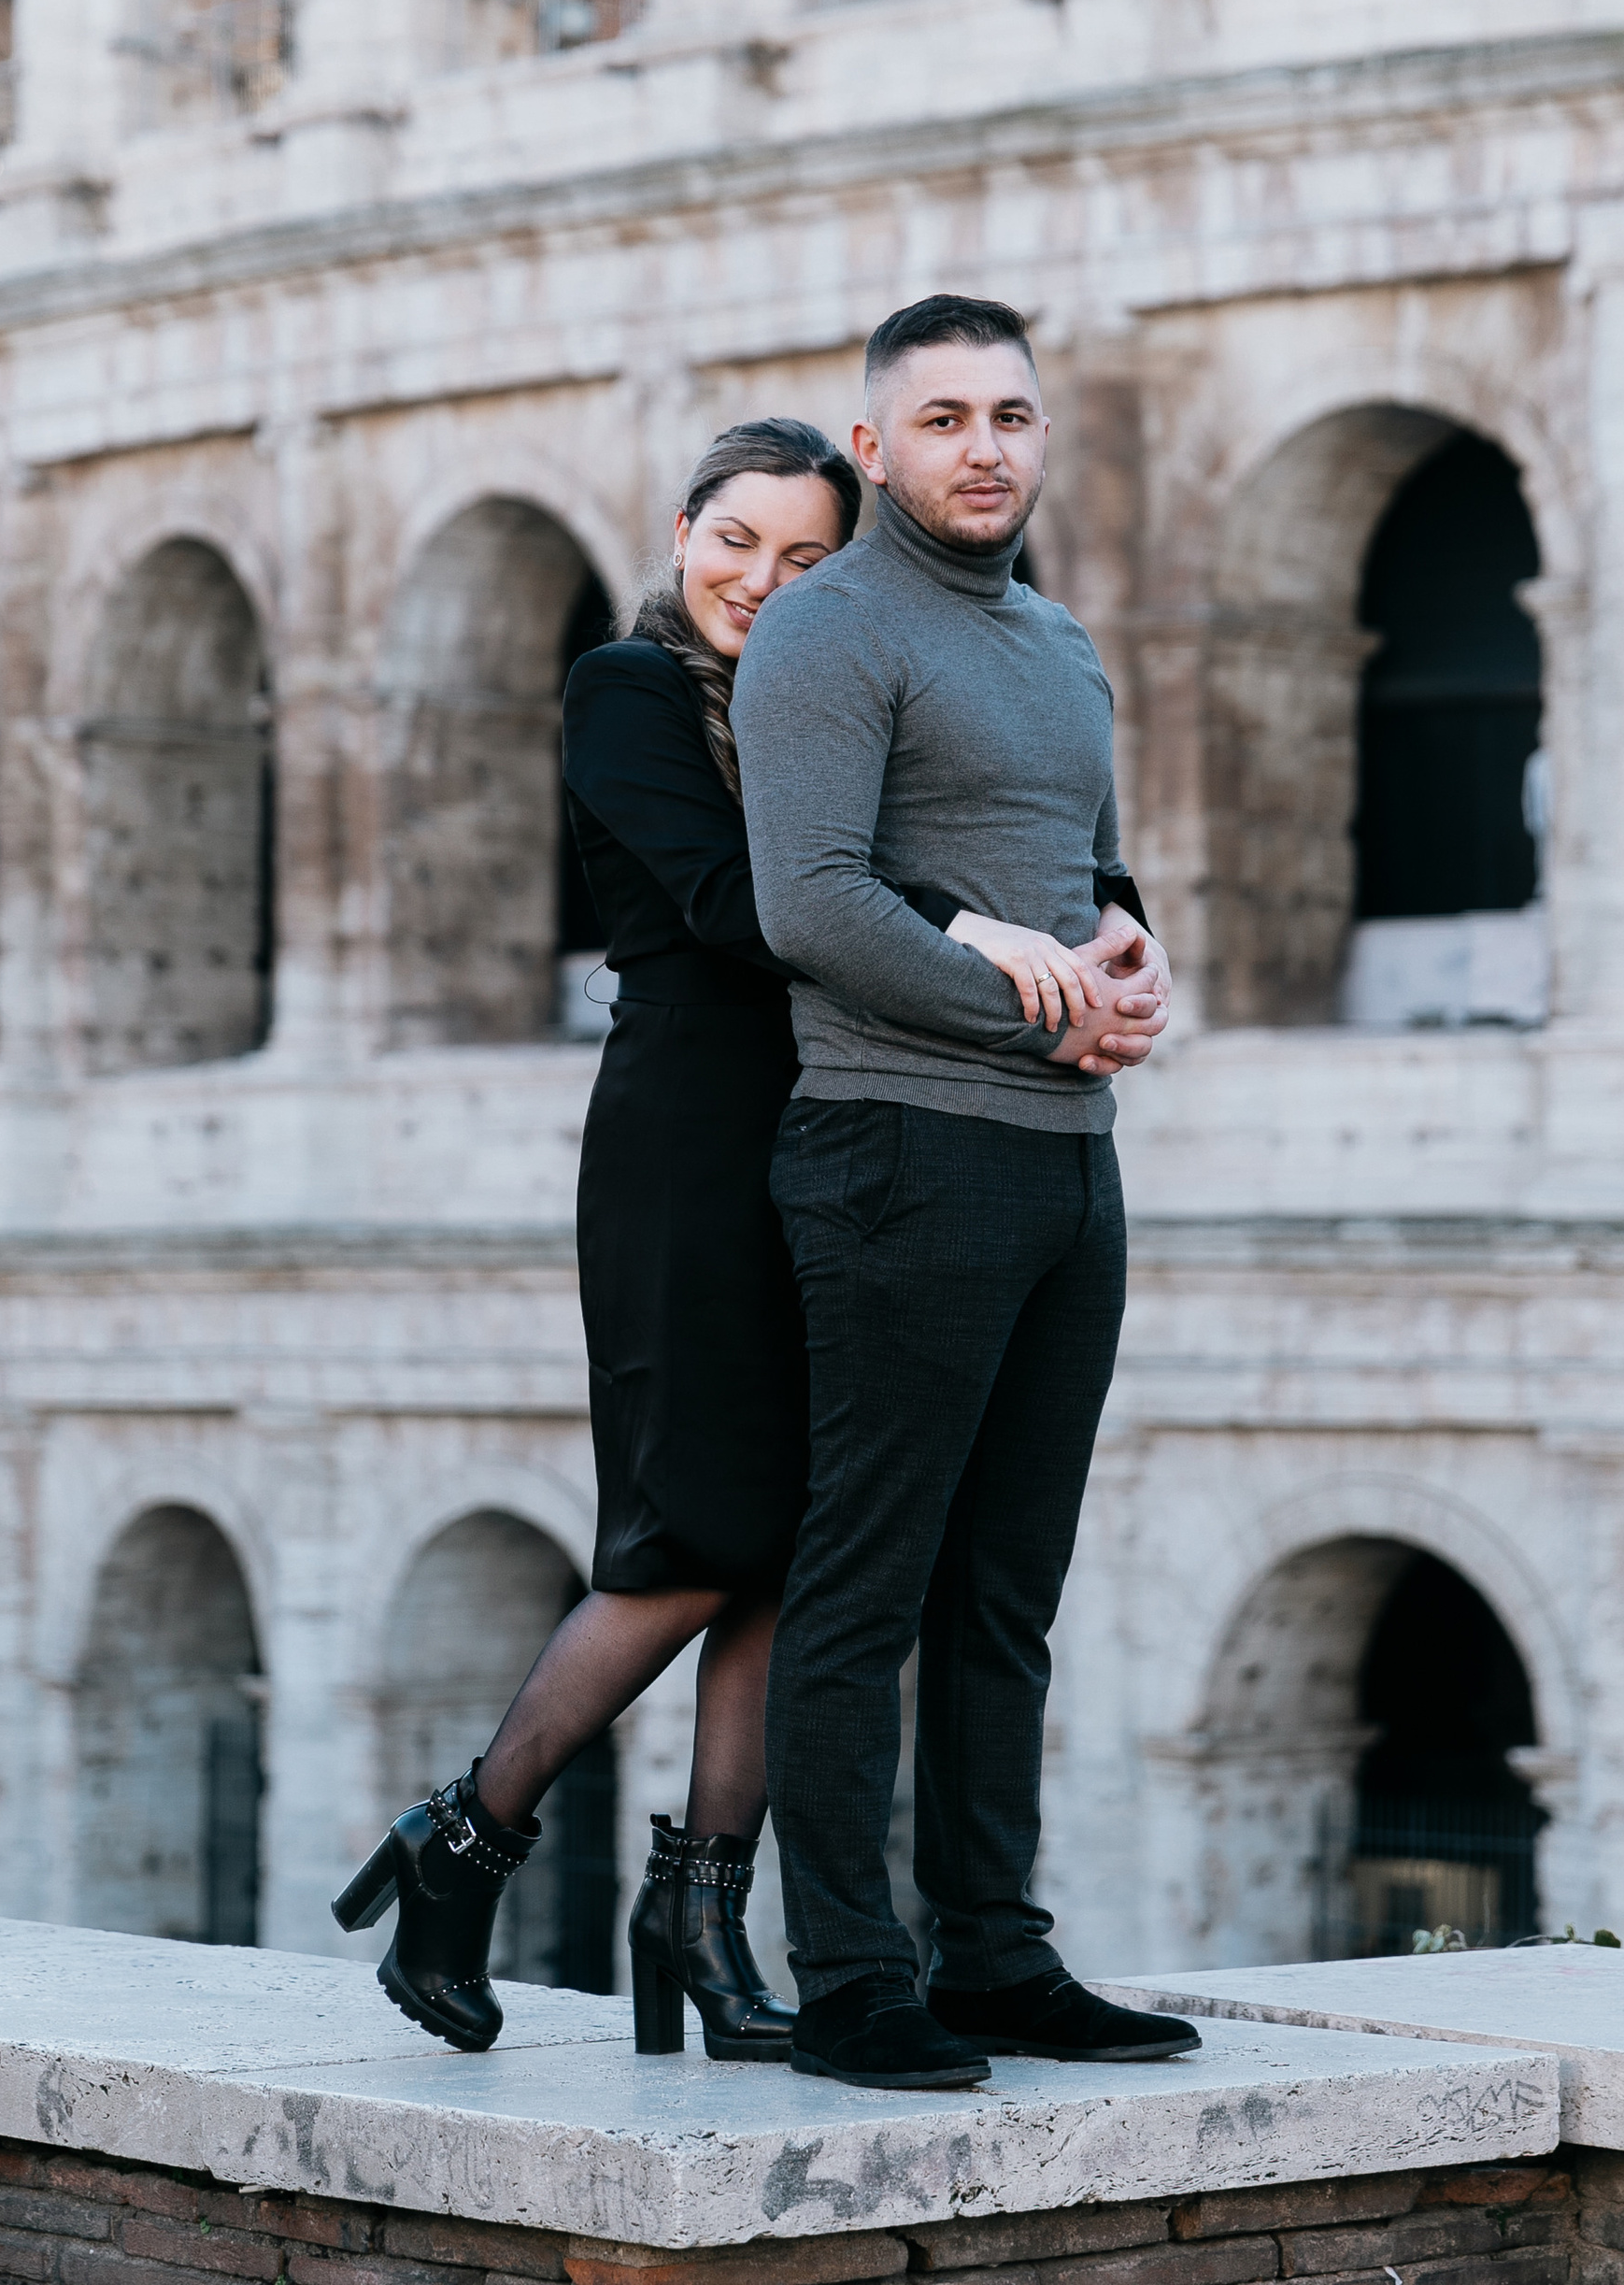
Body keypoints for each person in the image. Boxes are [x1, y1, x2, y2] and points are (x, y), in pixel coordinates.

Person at [335, 416, 1061, 2061]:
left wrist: (1095, 919)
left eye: (808, 559)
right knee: (690, 1539)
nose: (762, 580)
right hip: (688, 1146)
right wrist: (963, 936)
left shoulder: (837, 694)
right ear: (680, 533)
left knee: (811, 1547)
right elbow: (746, 911)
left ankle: (701, 1910)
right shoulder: (630, 693)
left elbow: (980, 833)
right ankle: (465, 1843)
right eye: (736, 540)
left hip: (846, 1140)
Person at [731, 292, 1204, 2093]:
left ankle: (996, 1953)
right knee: (868, 1581)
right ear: (874, 449)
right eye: (941, 420)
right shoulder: (828, 630)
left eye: (1010, 414)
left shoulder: (1059, 642)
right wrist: (1045, 996)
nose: (984, 447)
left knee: (1011, 1586)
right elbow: (819, 905)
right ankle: (853, 1978)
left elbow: (1071, 863)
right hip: (897, 1150)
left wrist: (1132, 952)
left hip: (1066, 1163)